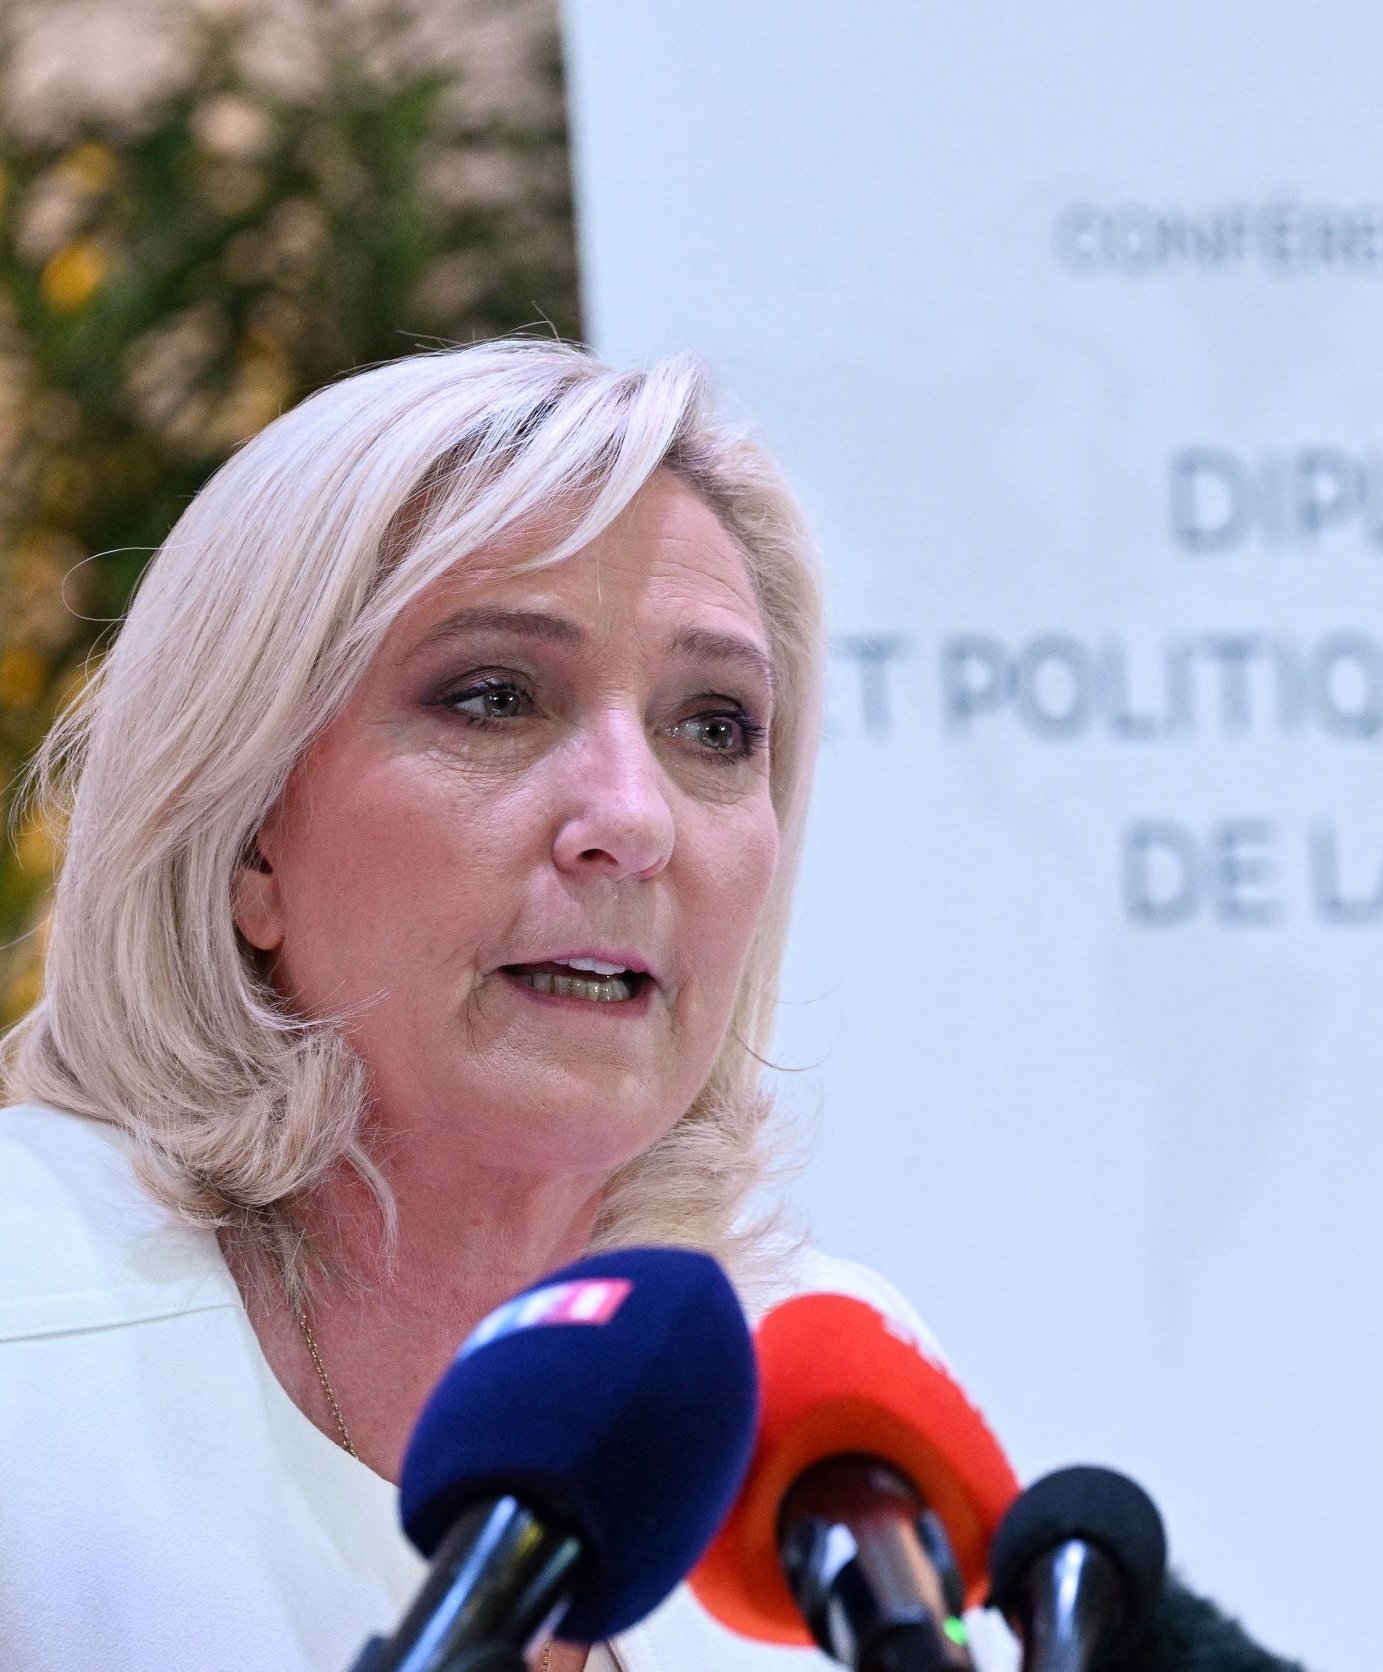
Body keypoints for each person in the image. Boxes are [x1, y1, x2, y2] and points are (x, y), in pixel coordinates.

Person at [0, 338, 1304, 1672]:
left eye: (717, 727)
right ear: (246, 838)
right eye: (495, 697)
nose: (633, 819)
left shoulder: (825, 1405)